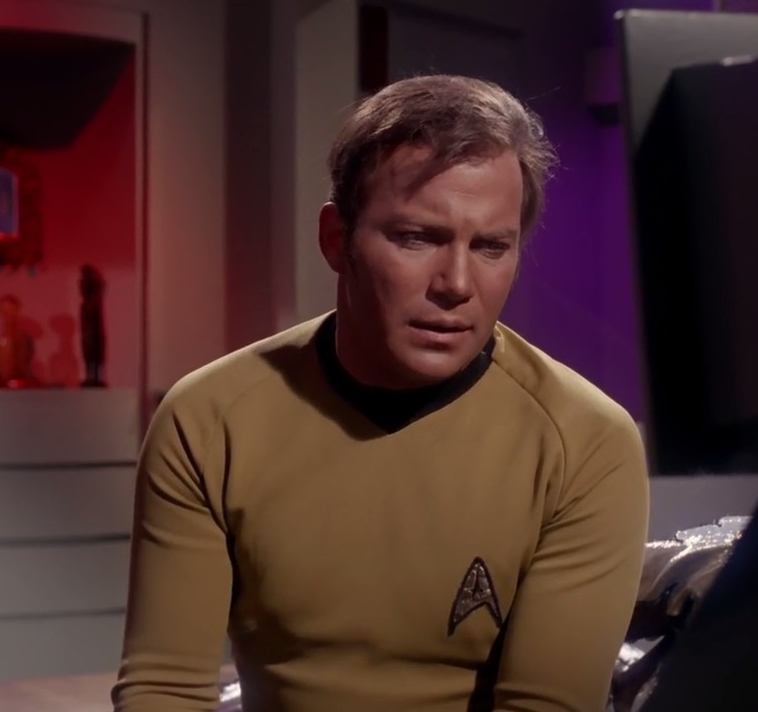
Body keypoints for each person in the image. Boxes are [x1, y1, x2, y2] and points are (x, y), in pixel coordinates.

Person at [111, 74, 649, 712]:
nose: (456, 284)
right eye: (417, 238)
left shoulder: (586, 441)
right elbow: (165, 689)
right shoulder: (208, 420)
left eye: (490, 247)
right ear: (336, 240)